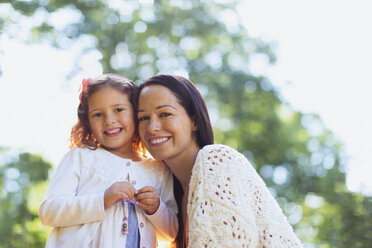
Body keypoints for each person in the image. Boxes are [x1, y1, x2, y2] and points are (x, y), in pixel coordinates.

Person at [135, 74, 303, 248]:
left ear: (194, 121)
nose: (152, 127)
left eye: (165, 114)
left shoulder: (216, 160)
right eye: (143, 118)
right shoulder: (170, 196)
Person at [38, 74, 178, 248]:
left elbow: (172, 233)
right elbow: (49, 212)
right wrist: (101, 200)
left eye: (119, 110)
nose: (109, 120)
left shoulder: (159, 169)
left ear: (136, 113)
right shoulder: (80, 158)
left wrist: (156, 208)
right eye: (98, 114)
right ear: (87, 122)